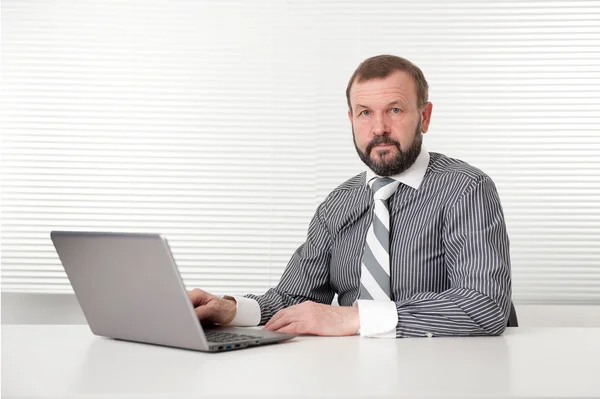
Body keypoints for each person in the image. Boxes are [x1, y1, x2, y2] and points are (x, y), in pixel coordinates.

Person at [188, 54, 512, 338]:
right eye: (365, 113)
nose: (379, 128)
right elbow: (292, 300)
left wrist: (355, 318)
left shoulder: (466, 189)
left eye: (395, 110)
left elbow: (483, 304)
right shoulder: (336, 205)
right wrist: (229, 310)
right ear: (351, 120)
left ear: (424, 117)